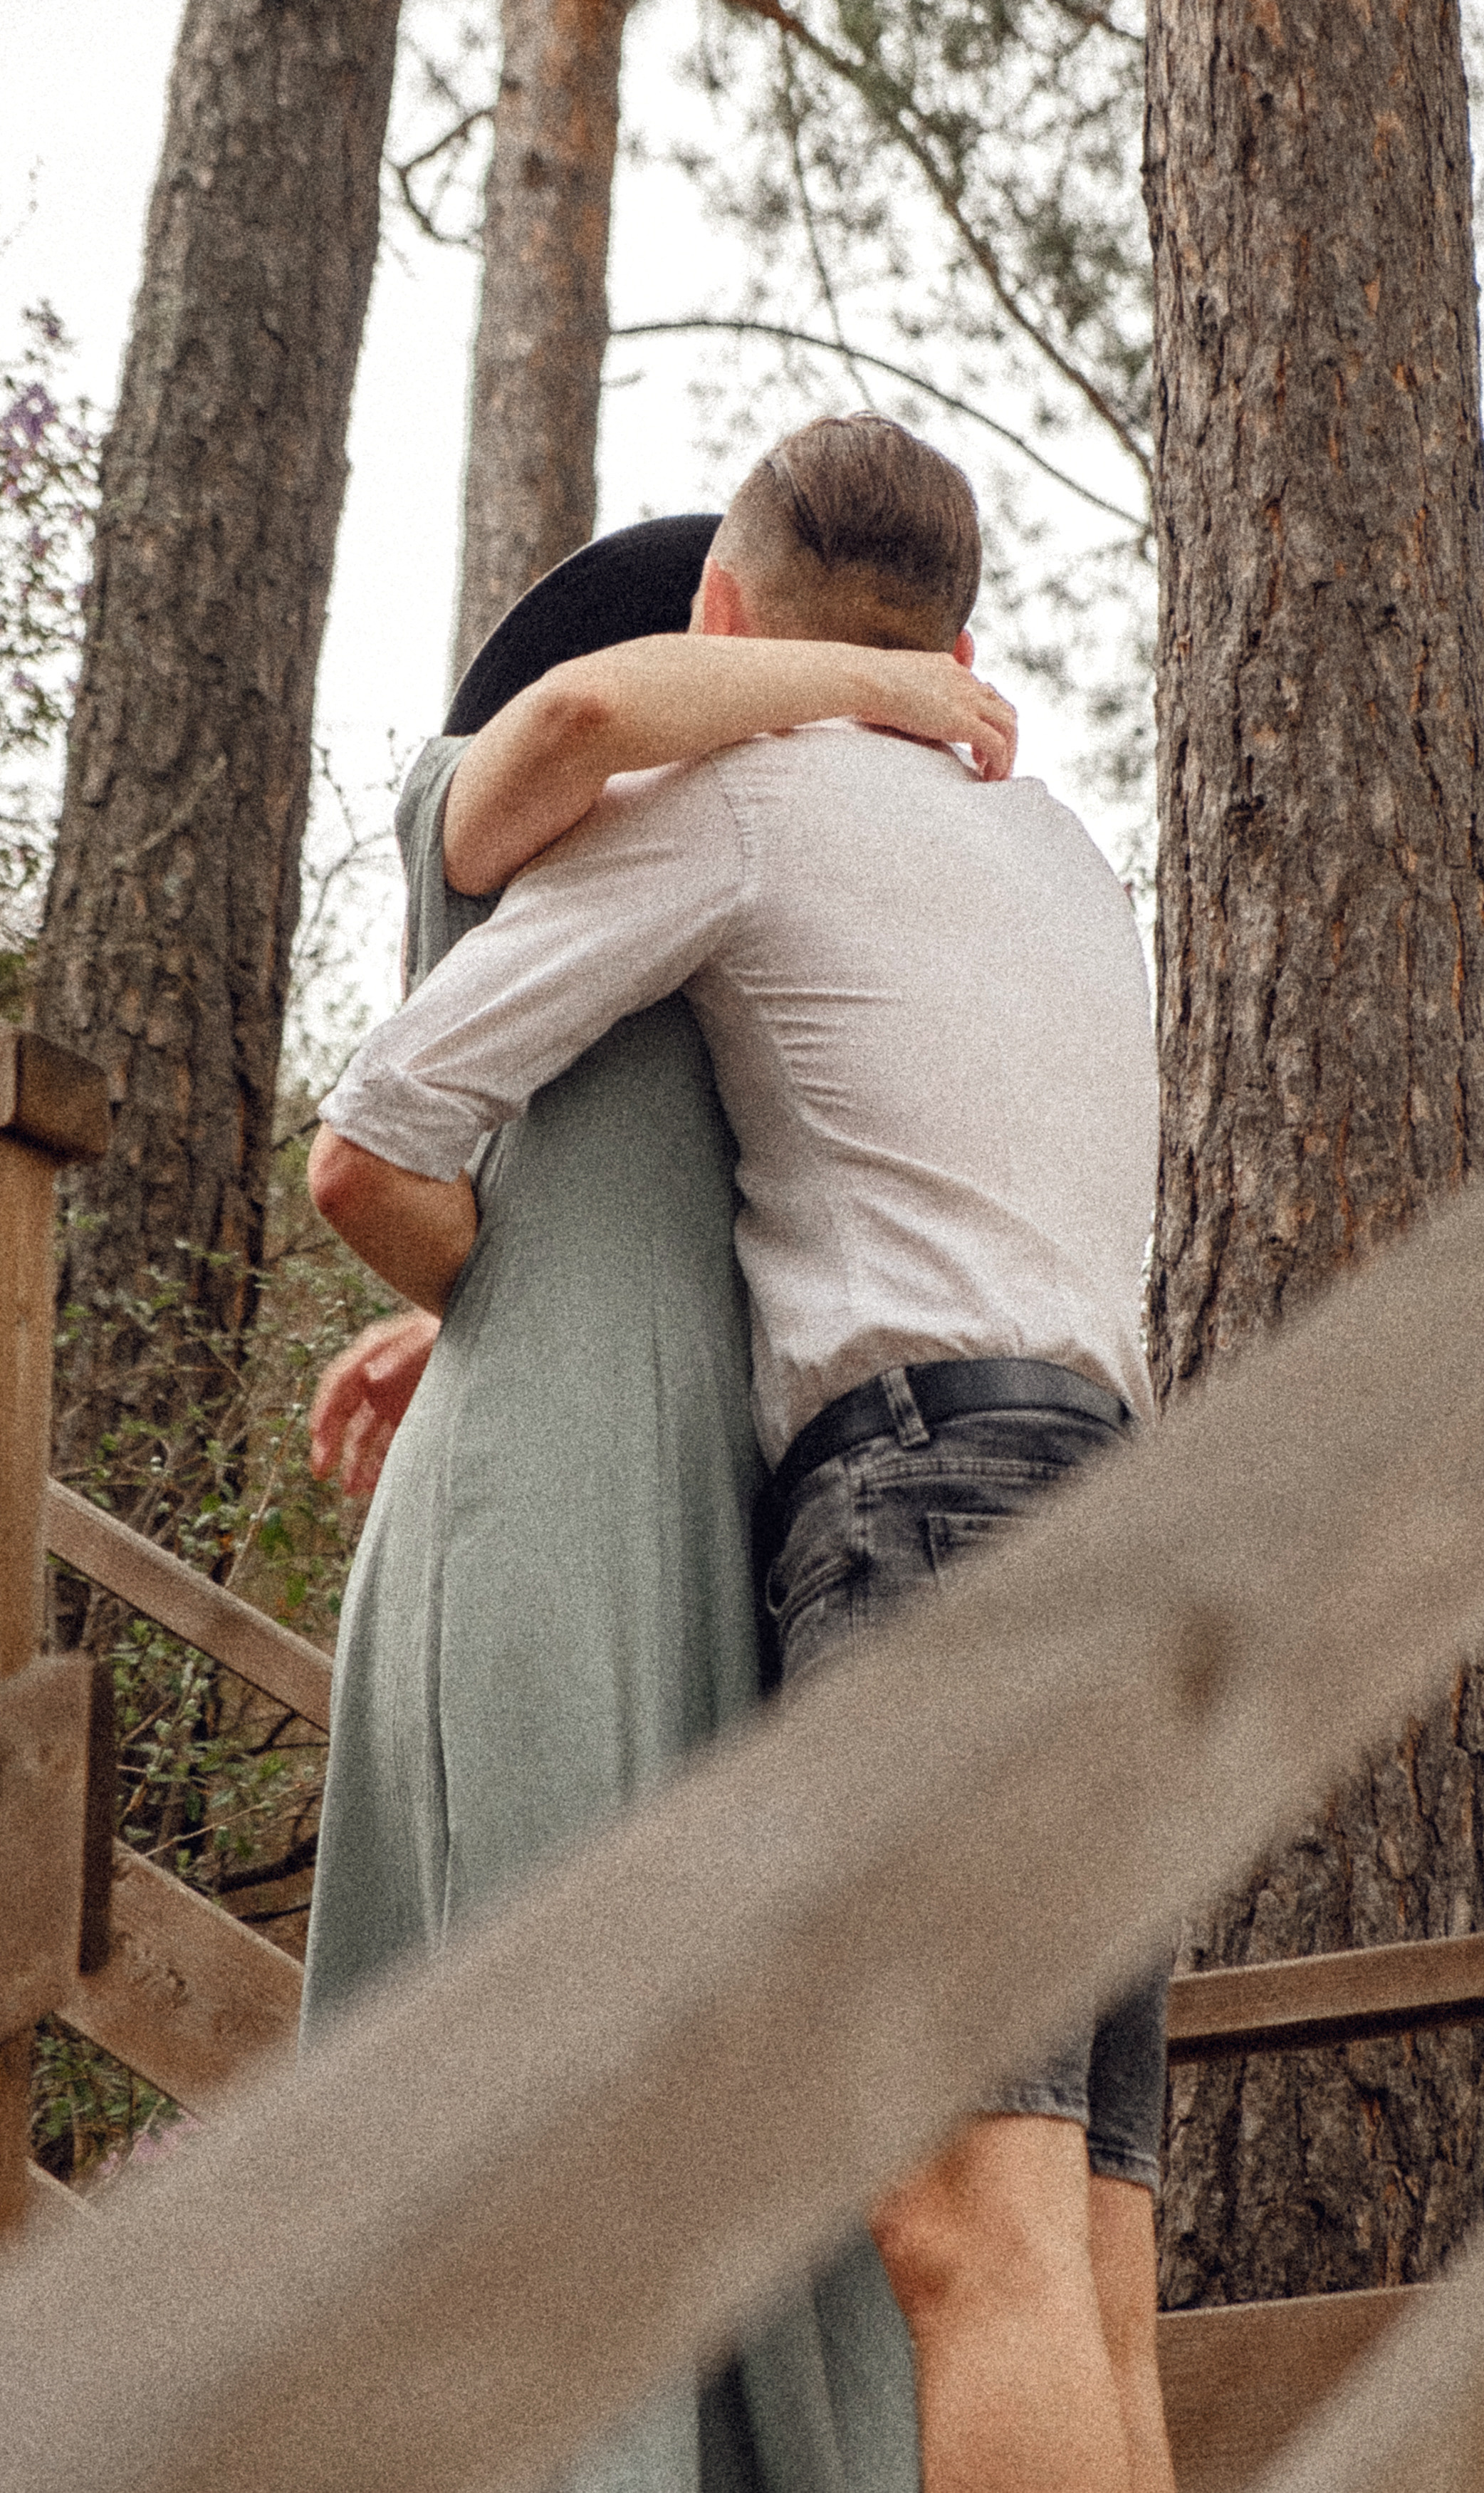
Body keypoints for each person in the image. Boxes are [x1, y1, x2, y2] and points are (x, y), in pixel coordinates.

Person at [310, 416, 1176, 2493]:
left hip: (927, 1509)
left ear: (729, 615)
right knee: (1101, 2273)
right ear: (963, 634)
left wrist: (478, 1291)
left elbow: (378, 1126)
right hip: (1133, 1519)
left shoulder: (757, 800)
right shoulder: (1061, 855)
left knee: (967, 2247)